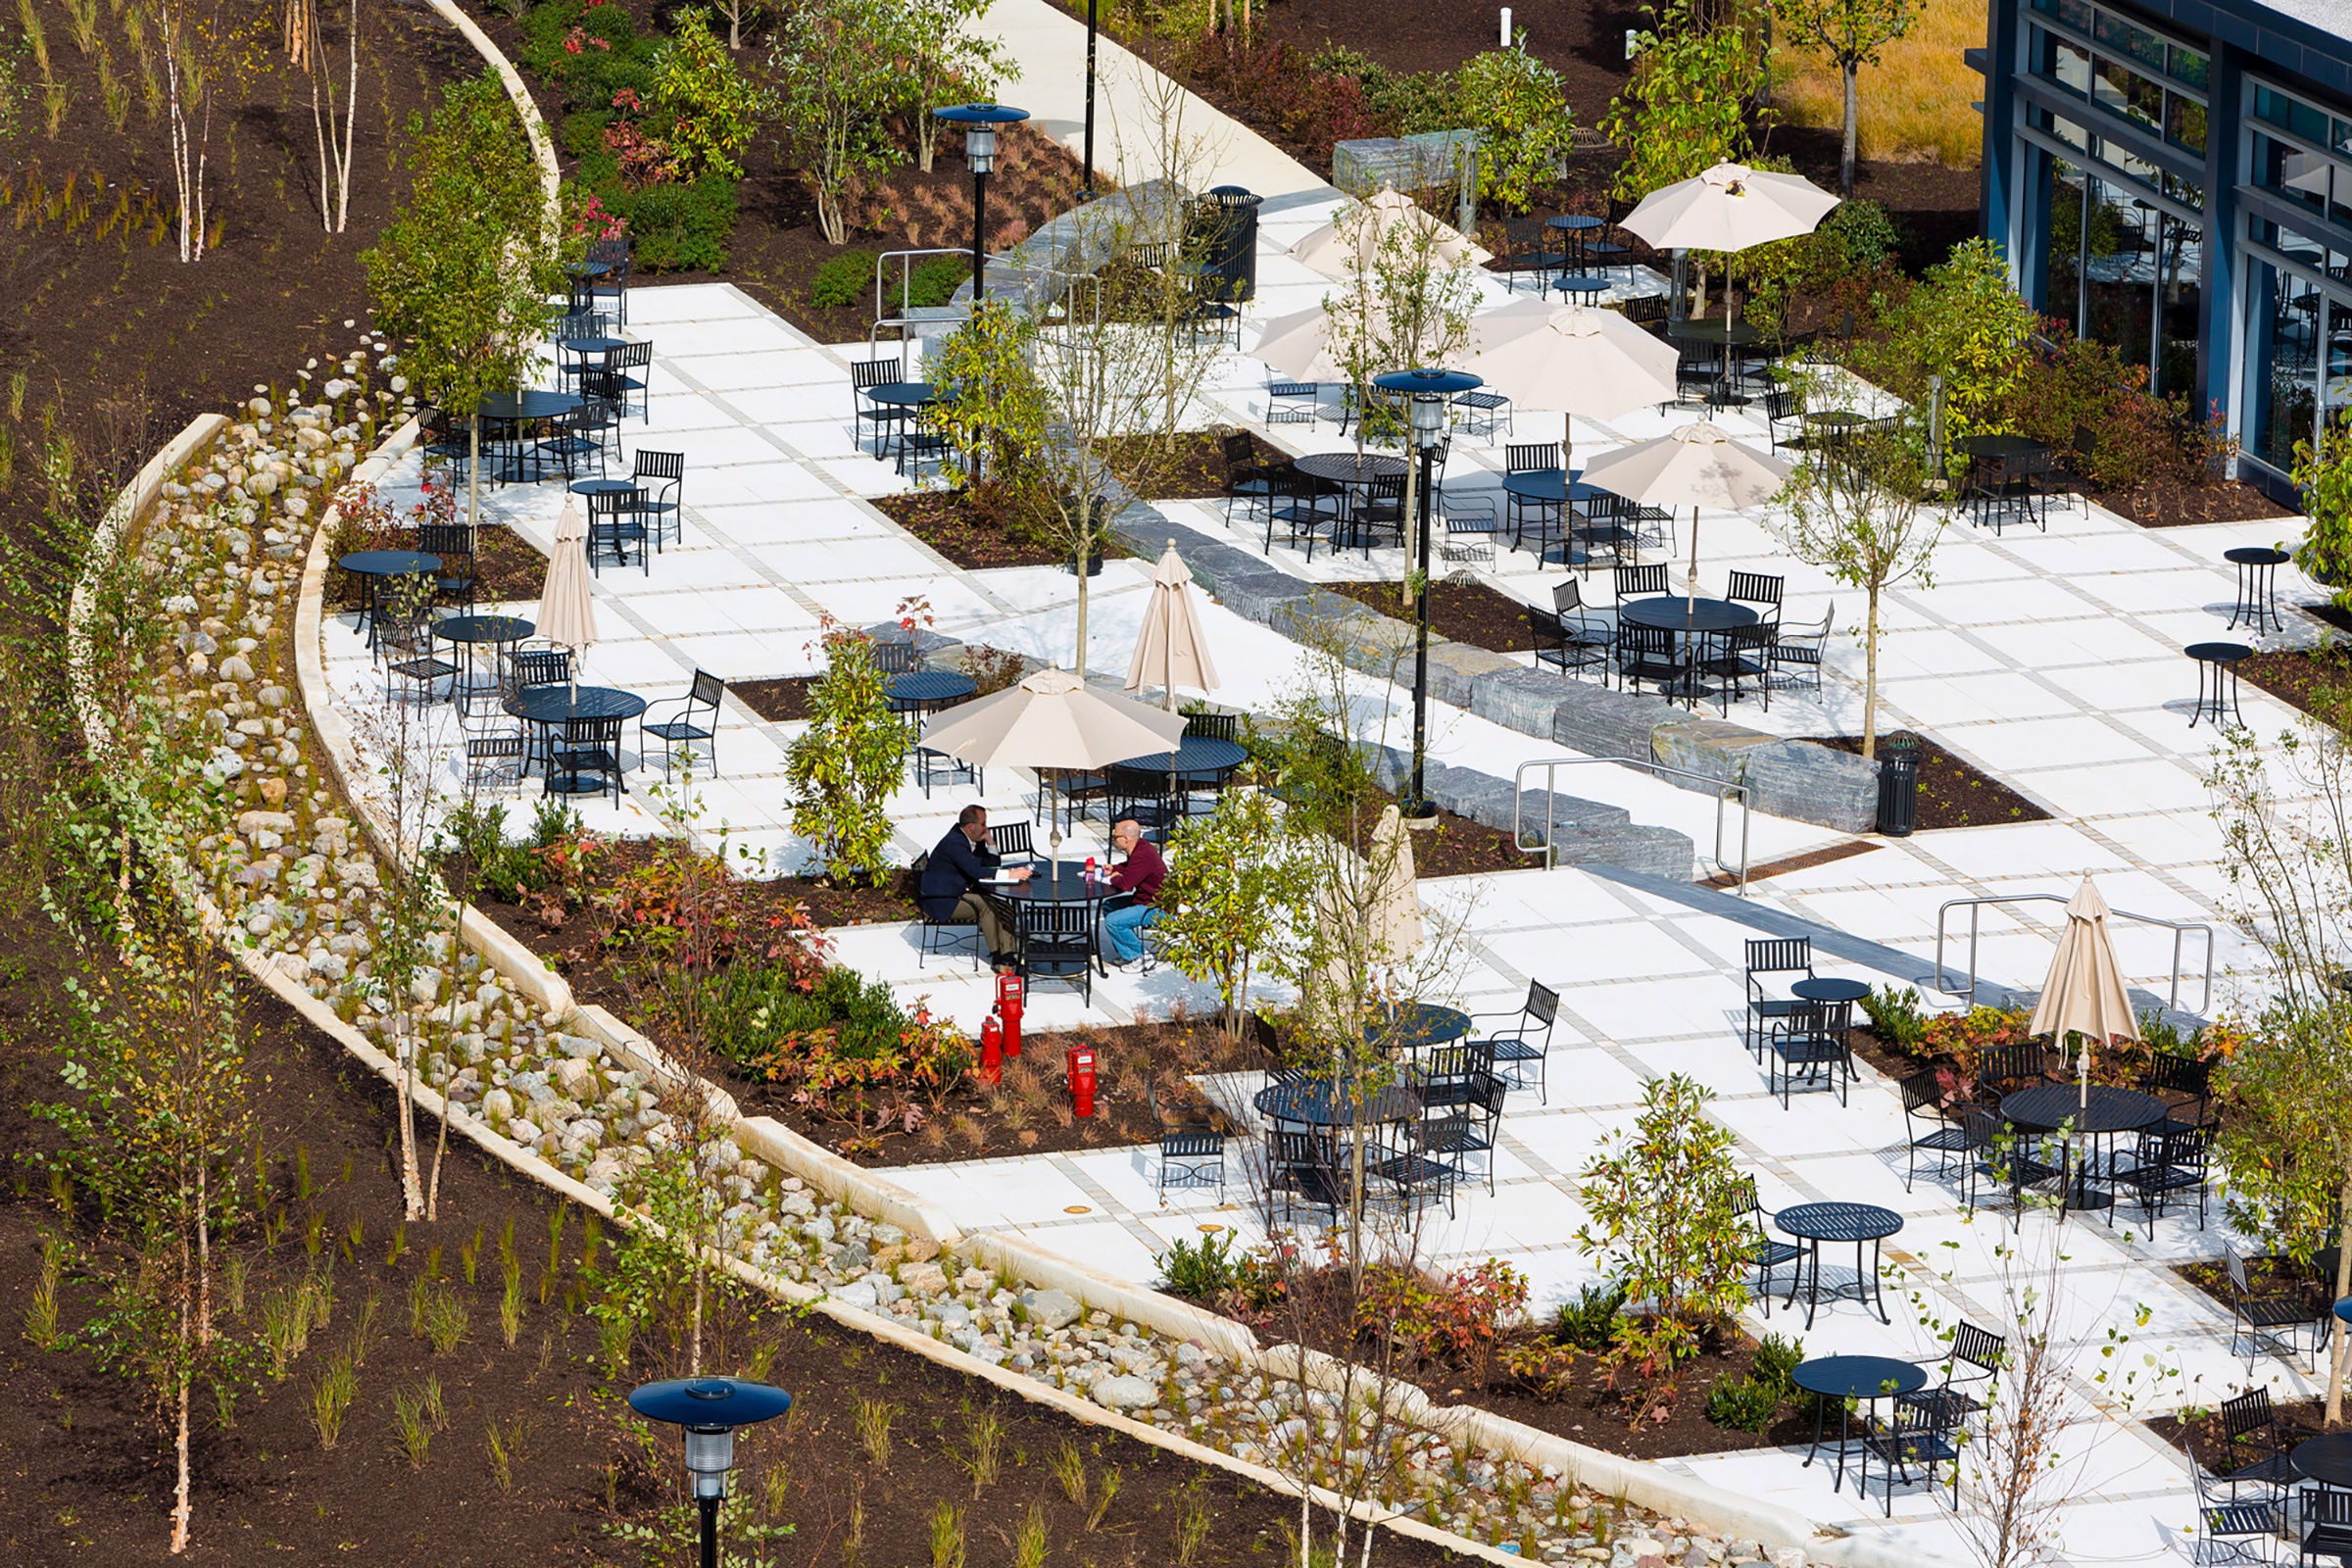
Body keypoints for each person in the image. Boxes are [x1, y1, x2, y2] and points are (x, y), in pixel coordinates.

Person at [919, 805, 1029, 967]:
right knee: (986, 906)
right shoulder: (954, 843)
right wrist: (1010, 875)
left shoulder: (971, 840)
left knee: (1004, 906)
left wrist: (990, 842)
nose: (986, 827)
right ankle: (997, 956)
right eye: (983, 824)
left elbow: (991, 866)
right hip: (943, 900)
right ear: (971, 826)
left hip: (958, 891)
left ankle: (1008, 953)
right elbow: (977, 871)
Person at [1101, 817, 1165, 966]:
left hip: (1158, 908)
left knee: (1113, 921)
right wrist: (1115, 869)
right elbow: (1131, 867)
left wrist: (1114, 877)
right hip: (1145, 900)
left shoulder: (1142, 855)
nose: (1113, 840)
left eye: (1115, 837)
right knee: (1109, 906)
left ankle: (1140, 957)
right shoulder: (1141, 847)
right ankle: (1127, 951)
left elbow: (1125, 885)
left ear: (1126, 839)